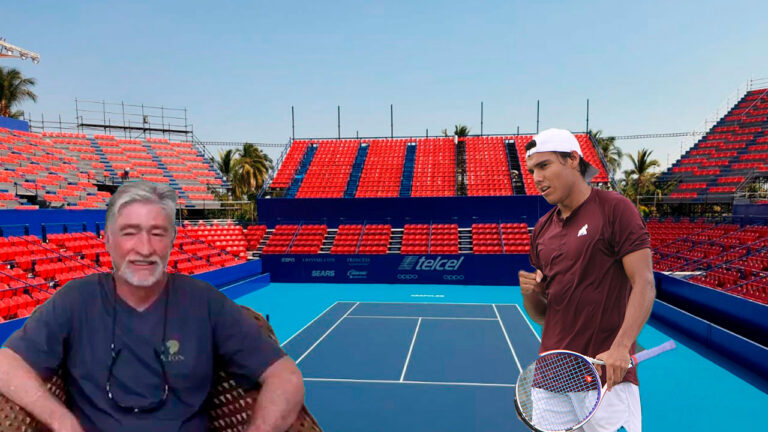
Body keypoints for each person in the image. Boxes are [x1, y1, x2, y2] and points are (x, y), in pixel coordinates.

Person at [0, 181, 305, 432]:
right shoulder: (76, 300)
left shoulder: (205, 301)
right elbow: (6, 363)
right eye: (130, 232)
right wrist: (61, 420)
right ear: (107, 240)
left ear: (172, 239)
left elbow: (284, 375)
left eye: (157, 233)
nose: (145, 249)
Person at [517, 129, 655, 432]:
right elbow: (544, 315)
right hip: (551, 377)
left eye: (544, 166)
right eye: (532, 171)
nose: (536, 178)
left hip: (605, 375)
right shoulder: (542, 230)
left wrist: (621, 347)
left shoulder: (615, 209)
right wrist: (530, 296)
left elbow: (644, 282)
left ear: (573, 160)